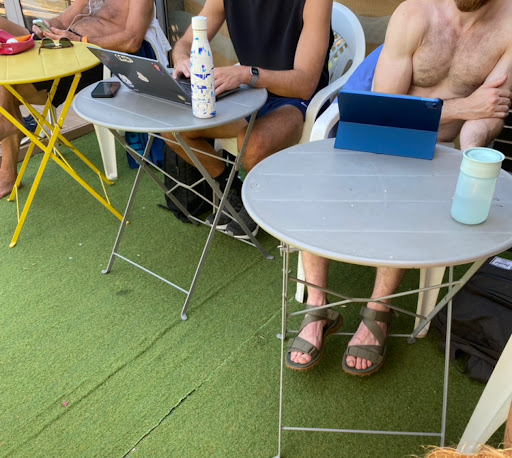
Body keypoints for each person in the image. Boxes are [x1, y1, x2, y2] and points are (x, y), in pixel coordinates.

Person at [288, 0, 512, 375]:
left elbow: (489, 109)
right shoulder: (414, 14)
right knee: (318, 191)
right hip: (381, 138)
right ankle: (317, 306)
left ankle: (378, 309)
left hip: (441, 152)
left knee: (410, 205)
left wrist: (471, 155)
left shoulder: (508, 27)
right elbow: (385, 112)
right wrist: (463, 107)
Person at [166, 0, 333, 239]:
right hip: (248, 93)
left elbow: (305, 84)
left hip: (296, 101)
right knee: (173, 128)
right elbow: (185, 42)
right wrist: (182, 58)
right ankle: (231, 190)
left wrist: (246, 74)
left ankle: (258, 199)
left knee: (253, 143)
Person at [0, 0, 169, 199]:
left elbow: (131, 41)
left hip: (92, 57)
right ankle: (8, 130)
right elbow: (64, 19)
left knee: (7, 81)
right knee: (4, 69)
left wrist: (80, 39)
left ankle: (8, 152)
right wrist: (47, 26)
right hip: (63, 47)